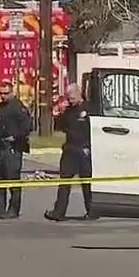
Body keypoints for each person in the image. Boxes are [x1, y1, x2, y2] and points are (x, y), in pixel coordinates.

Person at [45, 84, 96, 221]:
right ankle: (59, 212)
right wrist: (58, 115)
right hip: (70, 149)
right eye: (69, 98)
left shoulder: (89, 109)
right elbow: (60, 127)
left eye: (72, 97)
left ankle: (91, 210)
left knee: (86, 182)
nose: (70, 100)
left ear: (79, 93)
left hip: (84, 149)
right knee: (64, 182)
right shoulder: (68, 111)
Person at [0, 80, 33, 219]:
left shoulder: (18, 107)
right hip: (0, 148)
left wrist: (15, 137)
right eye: (1, 93)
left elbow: (28, 126)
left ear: (12, 92)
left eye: (6, 93)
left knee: (13, 179)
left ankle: (13, 209)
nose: (3, 96)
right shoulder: (0, 107)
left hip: (13, 148)